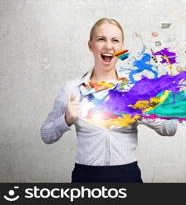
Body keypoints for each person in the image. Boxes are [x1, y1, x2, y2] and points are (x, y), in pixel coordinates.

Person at [40, 18, 177, 183]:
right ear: (91, 45)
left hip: (128, 176)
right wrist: (66, 119)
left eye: (115, 40)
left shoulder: (137, 89)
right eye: (101, 39)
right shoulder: (72, 88)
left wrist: (145, 111)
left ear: (121, 49)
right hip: (85, 178)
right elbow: (46, 135)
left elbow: (170, 128)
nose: (108, 46)